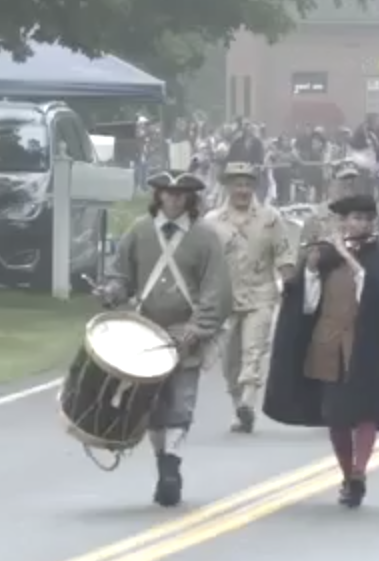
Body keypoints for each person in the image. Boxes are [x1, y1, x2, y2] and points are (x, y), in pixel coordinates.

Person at [262, 194, 379, 508]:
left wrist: (350, 259)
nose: (360, 224)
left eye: (366, 219)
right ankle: (348, 475)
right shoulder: (325, 258)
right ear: (343, 222)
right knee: (336, 416)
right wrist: (309, 271)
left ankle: (360, 471)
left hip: (367, 348)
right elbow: (308, 304)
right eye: (354, 218)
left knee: (365, 413)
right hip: (328, 344)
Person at [99, 170, 233, 507]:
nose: (174, 198)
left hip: (186, 332)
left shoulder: (205, 238)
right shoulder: (138, 232)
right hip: (145, 333)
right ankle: (163, 463)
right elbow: (121, 276)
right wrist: (112, 291)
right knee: (151, 406)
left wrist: (198, 327)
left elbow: (216, 288)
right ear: (157, 196)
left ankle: (172, 465)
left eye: (181, 193)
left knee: (181, 402)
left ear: (190, 197)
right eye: (167, 192)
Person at [205, 162, 296, 433]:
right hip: (226, 298)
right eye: (237, 184)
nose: (242, 190)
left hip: (261, 293)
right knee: (230, 360)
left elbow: (283, 252)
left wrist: (289, 278)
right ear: (228, 187)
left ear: (254, 187)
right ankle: (239, 409)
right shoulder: (211, 223)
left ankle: (248, 401)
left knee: (253, 350)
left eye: (247, 184)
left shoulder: (270, 218)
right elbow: (203, 261)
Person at [299, 160, 379, 249]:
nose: (349, 184)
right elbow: (302, 258)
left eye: (353, 180)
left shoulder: (371, 217)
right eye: (343, 180)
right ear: (330, 184)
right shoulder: (316, 219)